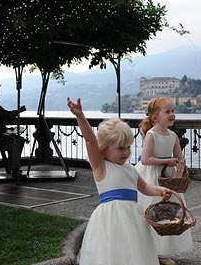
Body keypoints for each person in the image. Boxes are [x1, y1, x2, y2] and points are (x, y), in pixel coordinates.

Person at [66, 97, 173, 265]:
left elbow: (144, 187)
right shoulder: (101, 167)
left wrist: (159, 191)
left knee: (134, 254)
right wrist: (80, 116)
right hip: (110, 222)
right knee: (112, 254)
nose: (126, 152)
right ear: (104, 148)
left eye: (128, 147)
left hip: (133, 220)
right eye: (120, 148)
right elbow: (89, 141)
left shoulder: (131, 169)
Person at [135, 97, 193, 265]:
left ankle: (162, 251)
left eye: (173, 111)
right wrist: (167, 161)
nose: (172, 114)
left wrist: (178, 174)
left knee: (167, 212)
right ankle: (147, 248)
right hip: (150, 177)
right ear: (155, 117)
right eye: (167, 112)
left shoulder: (173, 136)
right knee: (151, 210)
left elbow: (180, 159)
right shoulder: (152, 135)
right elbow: (145, 159)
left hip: (166, 176)